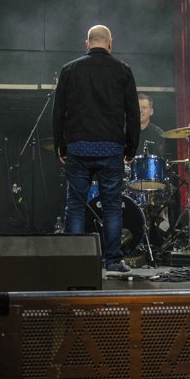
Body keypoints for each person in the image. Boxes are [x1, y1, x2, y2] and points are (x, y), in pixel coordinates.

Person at [52, 25, 140, 275]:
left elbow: (58, 111)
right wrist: (131, 146)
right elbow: (132, 113)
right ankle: (112, 261)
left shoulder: (70, 70)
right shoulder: (123, 71)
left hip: (78, 147)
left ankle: (75, 261)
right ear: (110, 43)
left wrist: (60, 144)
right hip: (111, 148)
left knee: (76, 204)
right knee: (112, 206)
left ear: (87, 43)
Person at [137, 93, 167, 157]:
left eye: (144, 107)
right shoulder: (124, 131)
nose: (140, 110)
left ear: (151, 111)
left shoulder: (158, 133)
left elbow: (158, 159)